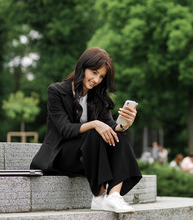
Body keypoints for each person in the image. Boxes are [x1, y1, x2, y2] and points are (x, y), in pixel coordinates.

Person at [30, 47, 142, 214]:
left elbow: (110, 126)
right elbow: (65, 129)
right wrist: (94, 124)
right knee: (94, 132)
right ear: (82, 67)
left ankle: (113, 195)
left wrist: (125, 124)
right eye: (94, 72)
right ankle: (99, 195)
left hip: (88, 156)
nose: (96, 79)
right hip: (61, 155)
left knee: (119, 135)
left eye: (101, 76)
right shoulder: (57, 92)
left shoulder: (98, 97)